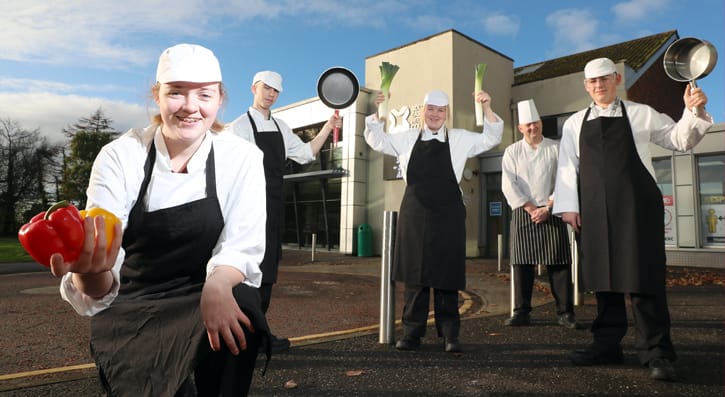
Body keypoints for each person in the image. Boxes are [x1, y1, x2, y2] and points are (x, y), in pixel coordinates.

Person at [52, 43, 270, 396]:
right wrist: (88, 271)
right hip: (132, 298)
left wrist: (217, 285)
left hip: (202, 287)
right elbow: (101, 275)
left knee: (242, 304)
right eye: (176, 93)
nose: (190, 107)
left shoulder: (241, 157)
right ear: (157, 95)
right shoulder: (121, 156)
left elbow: (243, 243)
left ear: (219, 99)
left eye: (204, 94)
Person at [553, 57, 713, 381]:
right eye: (593, 81)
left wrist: (692, 111)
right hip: (595, 210)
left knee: (645, 280)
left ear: (617, 79)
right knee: (603, 279)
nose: (599, 85)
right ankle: (606, 345)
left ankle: (657, 353)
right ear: (586, 86)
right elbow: (567, 167)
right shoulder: (573, 123)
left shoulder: (641, 113)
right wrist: (570, 207)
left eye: (605, 79)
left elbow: (680, 139)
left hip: (637, 208)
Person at [364, 89, 503, 352]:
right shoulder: (406, 138)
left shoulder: (460, 138)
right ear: (423, 111)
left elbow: (491, 138)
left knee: (447, 276)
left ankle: (451, 335)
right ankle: (412, 334)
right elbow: (376, 140)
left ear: (446, 114)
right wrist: (377, 113)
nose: (435, 115)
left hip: (448, 215)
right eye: (431, 109)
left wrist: (486, 108)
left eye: (440, 110)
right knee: (415, 277)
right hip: (415, 213)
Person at [226, 70, 341, 353]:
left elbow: (305, 153)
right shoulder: (239, 127)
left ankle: (257, 332)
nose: (271, 94)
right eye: (266, 88)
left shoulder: (281, 127)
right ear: (254, 87)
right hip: (248, 210)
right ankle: (243, 336)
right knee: (246, 274)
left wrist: (328, 127)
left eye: (276, 91)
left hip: (274, 208)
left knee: (267, 275)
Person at [501, 99, 577, 329]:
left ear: (541, 124)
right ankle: (521, 312)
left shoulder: (556, 148)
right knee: (522, 265)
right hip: (524, 211)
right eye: (527, 125)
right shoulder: (512, 151)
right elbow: (508, 184)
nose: (532, 128)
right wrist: (532, 208)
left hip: (552, 209)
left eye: (535, 123)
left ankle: (565, 313)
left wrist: (548, 206)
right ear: (521, 128)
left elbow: (565, 178)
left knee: (559, 264)